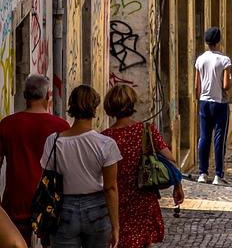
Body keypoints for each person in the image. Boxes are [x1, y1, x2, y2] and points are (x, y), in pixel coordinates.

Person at [102, 84, 184, 248]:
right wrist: (178, 187)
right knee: (145, 243)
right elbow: (171, 161)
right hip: (144, 199)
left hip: (118, 203)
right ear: (132, 104)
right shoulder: (146, 130)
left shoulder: (105, 137)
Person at [39, 84, 119, 248]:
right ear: (94, 107)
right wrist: (115, 226)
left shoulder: (54, 141)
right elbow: (110, 188)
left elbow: (46, 180)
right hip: (97, 208)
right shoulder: (105, 144)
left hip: (63, 208)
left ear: (71, 105)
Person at [0, 72, 67, 241]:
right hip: (50, 198)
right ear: (48, 96)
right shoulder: (61, 127)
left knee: (17, 242)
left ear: (24, 95)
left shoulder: (7, 124)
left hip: (16, 199)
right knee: (50, 243)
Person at [194, 26, 232, 185]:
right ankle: (218, 175)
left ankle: (202, 173)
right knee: (219, 139)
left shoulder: (200, 59)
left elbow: (197, 85)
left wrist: (200, 98)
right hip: (220, 103)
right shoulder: (224, 60)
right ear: (219, 41)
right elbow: (226, 85)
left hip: (204, 102)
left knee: (204, 137)